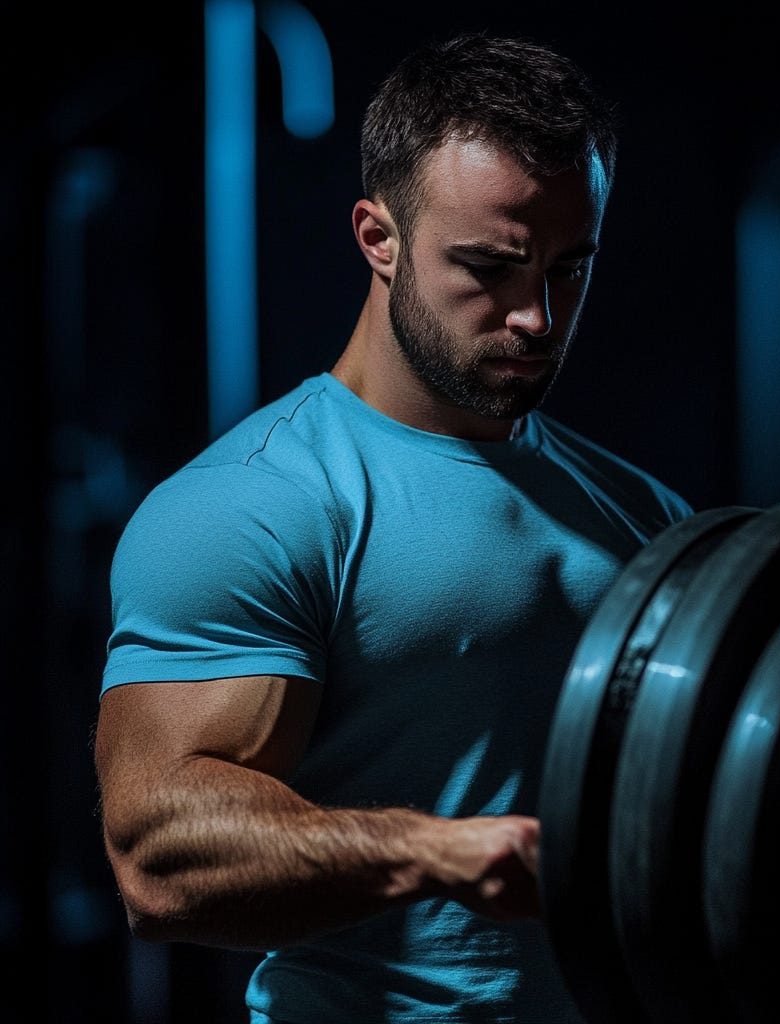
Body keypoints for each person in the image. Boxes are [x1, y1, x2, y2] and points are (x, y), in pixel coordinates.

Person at [94, 30, 693, 1024]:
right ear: (379, 236)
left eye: (566, 267)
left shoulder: (643, 512)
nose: (536, 316)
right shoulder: (253, 504)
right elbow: (161, 853)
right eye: (490, 267)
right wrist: (438, 851)